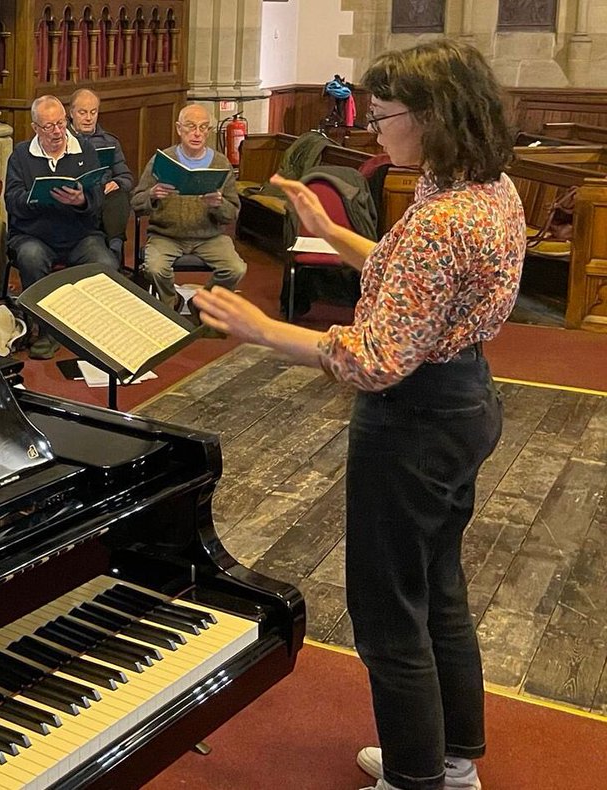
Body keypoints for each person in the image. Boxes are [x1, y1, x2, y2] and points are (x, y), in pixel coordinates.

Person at [193, 39, 524, 790]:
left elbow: (377, 357)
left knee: (386, 608)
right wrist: (329, 229)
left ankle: (413, 778)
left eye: (384, 116)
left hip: (414, 422)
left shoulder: (445, 218)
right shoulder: (485, 187)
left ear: (435, 115)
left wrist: (260, 329)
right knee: (437, 586)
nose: (374, 130)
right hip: (464, 398)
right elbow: (411, 280)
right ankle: (451, 756)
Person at [5, 94, 115, 359]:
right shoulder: (21, 154)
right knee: (31, 257)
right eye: (48, 126)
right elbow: (12, 200)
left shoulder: (85, 150)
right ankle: (46, 331)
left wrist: (81, 200)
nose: (57, 131)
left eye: (61, 123)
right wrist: (38, 199)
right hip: (35, 234)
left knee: (105, 262)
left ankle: (93, 330)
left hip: (79, 234)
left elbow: (98, 198)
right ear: (35, 128)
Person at [132, 103, 245, 309]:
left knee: (235, 268)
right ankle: (171, 303)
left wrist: (219, 204)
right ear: (178, 129)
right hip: (166, 235)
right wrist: (152, 195)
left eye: (203, 128)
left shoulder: (220, 163)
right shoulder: (162, 160)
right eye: (190, 127)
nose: (197, 134)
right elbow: (136, 203)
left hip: (209, 236)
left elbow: (232, 213)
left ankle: (202, 302)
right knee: (155, 268)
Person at [68, 88, 133, 263]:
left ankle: (115, 246)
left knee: (118, 194)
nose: (89, 118)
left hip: (104, 199)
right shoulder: (61, 140)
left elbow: (127, 177)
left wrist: (118, 182)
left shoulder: (109, 141)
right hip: (74, 197)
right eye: (83, 113)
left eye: (93, 112)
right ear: (71, 112)